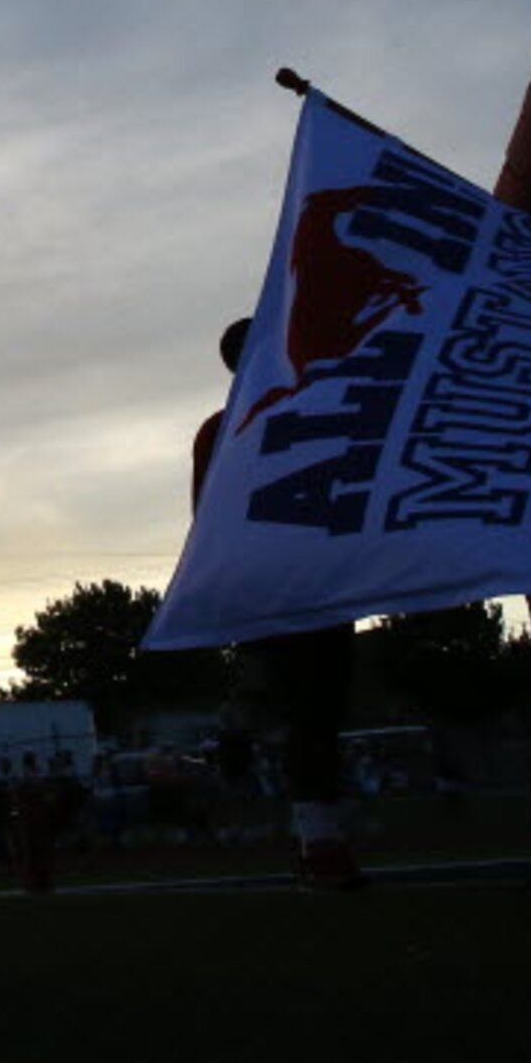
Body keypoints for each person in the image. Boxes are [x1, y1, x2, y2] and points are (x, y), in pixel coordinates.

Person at [194, 315, 366, 891]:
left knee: (318, 714)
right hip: (284, 591)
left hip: (312, 587)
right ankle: (319, 837)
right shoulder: (228, 429)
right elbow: (210, 522)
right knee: (309, 715)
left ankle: (319, 833)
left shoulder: (305, 411)